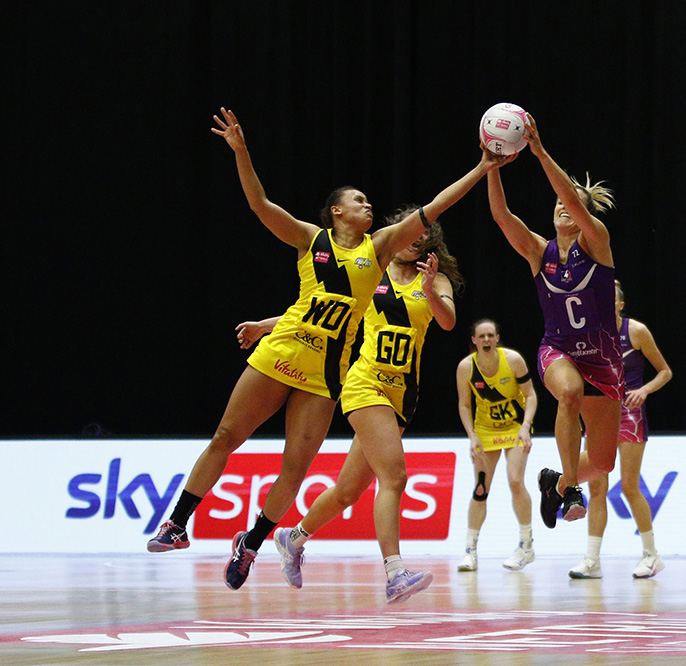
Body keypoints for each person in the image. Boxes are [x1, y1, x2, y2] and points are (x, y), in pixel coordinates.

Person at [147, 107, 504, 597]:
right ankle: (177, 523)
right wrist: (241, 151)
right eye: (359, 201)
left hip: (326, 374)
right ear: (337, 211)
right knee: (227, 434)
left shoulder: (379, 250)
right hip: (284, 349)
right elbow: (259, 204)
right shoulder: (308, 239)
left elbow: (435, 207)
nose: (368, 206)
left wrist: (483, 167)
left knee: (295, 469)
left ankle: (251, 544)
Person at [239, 208, 467, 602]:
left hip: (403, 392)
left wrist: (430, 289)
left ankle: (293, 538)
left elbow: (447, 322)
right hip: (366, 383)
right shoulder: (371, 270)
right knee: (394, 476)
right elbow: (320, 307)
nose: (416, 238)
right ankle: (395, 574)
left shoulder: (436, 278)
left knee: (348, 491)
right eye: (410, 231)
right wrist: (266, 326)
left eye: (423, 234)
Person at [486, 113, 624, 531]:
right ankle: (573, 492)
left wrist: (539, 151)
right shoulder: (537, 251)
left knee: (602, 462)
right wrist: (491, 170)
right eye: (557, 204)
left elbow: (567, 191)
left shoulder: (596, 240)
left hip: (604, 359)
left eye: (571, 202)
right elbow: (501, 216)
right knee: (568, 393)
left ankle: (557, 482)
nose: (563, 205)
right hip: (558, 349)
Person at [569, 280, 673, 579]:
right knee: (596, 487)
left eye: (609, 298)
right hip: (599, 414)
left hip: (629, 414)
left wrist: (645, 390)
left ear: (620, 304)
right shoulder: (588, 336)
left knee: (629, 485)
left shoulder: (636, 331)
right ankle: (592, 560)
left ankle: (652, 555)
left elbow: (665, 372)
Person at [455, 319, 538, 572]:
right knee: (481, 489)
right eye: (482, 336)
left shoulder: (513, 360)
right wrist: (472, 436)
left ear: (497, 338)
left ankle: (526, 546)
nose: (487, 340)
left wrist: (526, 426)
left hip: (514, 427)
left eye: (491, 335)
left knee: (515, 480)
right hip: (485, 430)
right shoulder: (466, 367)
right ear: (474, 340)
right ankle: (470, 551)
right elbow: (465, 405)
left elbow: (531, 395)